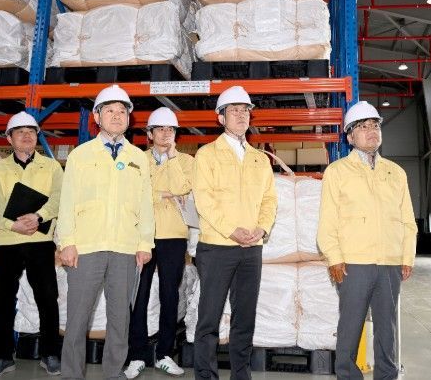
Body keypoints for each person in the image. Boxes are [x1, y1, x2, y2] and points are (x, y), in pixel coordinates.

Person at [56, 85, 155, 380]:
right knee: (77, 319)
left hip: (125, 248)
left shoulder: (138, 157)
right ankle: (72, 375)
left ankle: (113, 373)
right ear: (97, 117)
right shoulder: (81, 155)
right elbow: (67, 201)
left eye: (122, 111)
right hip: (86, 248)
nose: (116, 115)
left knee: (120, 319)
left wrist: (145, 243)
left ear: (129, 118)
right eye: (109, 110)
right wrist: (67, 242)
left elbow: (145, 204)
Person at [317, 101, 417, 380]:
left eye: (375, 125)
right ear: (350, 137)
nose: (371, 131)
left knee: (387, 329)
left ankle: (387, 375)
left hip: (389, 262)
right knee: (350, 328)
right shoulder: (337, 172)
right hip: (353, 264)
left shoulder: (395, 172)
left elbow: (408, 220)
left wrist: (406, 257)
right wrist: (334, 258)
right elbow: (327, 221)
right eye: (363, 127)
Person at [192, 86, 277, 380]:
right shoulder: (207, 155)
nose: (241, 115)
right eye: (234, 111)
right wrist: (231, 231)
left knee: (244, 319)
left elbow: (269, 199)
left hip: (251, 248)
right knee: (209, 319)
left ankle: (241, 375)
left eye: (245, 110)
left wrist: (262, 228)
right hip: (217, 247)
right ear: (221, 118)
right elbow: (204, 200)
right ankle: (206, 375)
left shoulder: (259, 159)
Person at [0, 112, 63, 378]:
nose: (27, 136)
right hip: (6, 241)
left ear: (37, 136)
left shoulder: (52, 167)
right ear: (9, 138)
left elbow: (59, 197)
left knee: (47, 297)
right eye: (20, 132)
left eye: (31, 131)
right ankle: (3, 357)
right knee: (5, 299)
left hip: (39, 240)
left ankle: (50, 354)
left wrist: (39, 216)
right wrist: (12, 226)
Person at [124, 107, 194, 378]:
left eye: (171, 129)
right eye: (160, 129)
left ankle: (165, 354)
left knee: (169, 294)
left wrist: (172, 159)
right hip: (142, 234)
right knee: (138, 295)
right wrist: (165, 195)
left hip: (173, 235)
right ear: (150, 134)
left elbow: (184, 188)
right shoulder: (137, 160)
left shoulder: (185, 161)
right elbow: (134, 193)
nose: (166, 134)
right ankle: (136, 355)